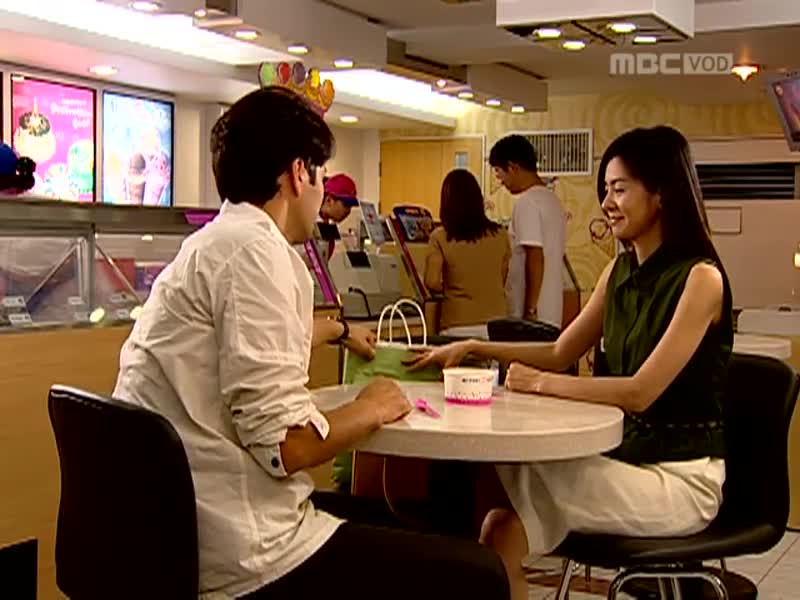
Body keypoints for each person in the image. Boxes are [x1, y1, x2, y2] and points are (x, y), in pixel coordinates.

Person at [111, 86, 509, 600]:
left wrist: (337, 332)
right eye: (321, 176)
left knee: (405, 524)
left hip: (172, 530)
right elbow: (287, 446)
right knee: (479, 572)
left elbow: (245, 348)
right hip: (243, 549)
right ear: (299, 173)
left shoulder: (210, 245)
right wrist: (372, 405)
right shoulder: (259, 254)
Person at [408, 125, 733, 600]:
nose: (607, 203)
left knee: (505, 485)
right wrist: (474, 348)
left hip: (679, 479)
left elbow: (640, 392)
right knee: (499, 528)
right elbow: (561, 350)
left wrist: (541, 384)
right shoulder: (619, 271)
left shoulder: (701, 279)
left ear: (661, 193)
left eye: (619, 189)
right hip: (624, 457)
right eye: (605, 190)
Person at [489, 134, 566, 329]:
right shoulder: (552, 201)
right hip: (552, 310)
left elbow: (535, 256)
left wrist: (530, 310)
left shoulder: (527, 203)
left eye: (499, 174)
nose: (501, 182)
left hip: (531, 316)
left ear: (513, 167)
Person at [425, 169, 510, 338]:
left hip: (457, 325)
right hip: (497, 328)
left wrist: (453, 286)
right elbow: (502, 277)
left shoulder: (440, 237)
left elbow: (432, 282)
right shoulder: (501, 234)